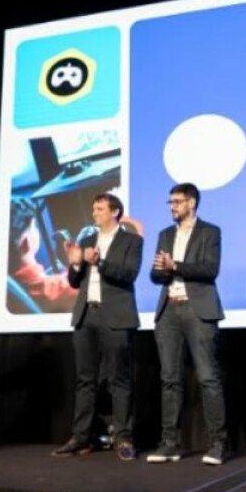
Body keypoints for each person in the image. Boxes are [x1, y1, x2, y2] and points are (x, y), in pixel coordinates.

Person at [51, 193, 142, 461]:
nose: (94, 213)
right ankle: (80, 437)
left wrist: (98, 262)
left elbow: (129, 274)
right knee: (85, 380)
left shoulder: (132, 241)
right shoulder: (87, 240)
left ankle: (123, 438)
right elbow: (74, 282)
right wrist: (75, 263)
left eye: (100, 209)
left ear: (115, 212)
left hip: (115, 317)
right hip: (86, 315)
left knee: (119, 380)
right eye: (93, 209)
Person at [145, 183, 227, 465]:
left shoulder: (210, 231)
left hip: (197, 309)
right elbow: (155, 275)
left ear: (191, 203)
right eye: (170, 202)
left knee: (208, 378)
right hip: (169, 309)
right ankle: (170, 443)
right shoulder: (165, 235)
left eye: (177, 202)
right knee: (170, 379)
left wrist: (175, 266)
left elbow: (210, 269)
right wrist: (162, 270)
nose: (172, 207)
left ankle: (217, 444)